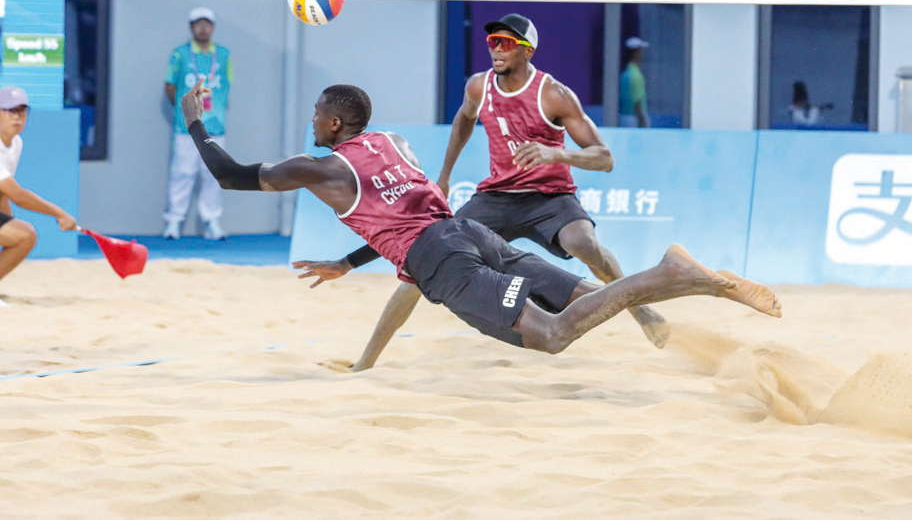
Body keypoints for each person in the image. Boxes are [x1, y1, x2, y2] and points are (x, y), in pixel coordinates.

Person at [180, 79, 781, 361]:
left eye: (317, 114)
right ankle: (687, 285)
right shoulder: (394, 144)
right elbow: (404, 229)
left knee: (553, 336)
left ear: (335, 124)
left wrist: (195, 122)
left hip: (444, 256)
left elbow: (231, 176)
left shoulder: (321, 169)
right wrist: (347, 264)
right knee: (591, 297)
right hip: (472, 233)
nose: (312, 122)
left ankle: (668, 271)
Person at [302, 15, 681, 371]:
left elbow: (605, 158)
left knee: (584, 244)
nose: (495, 49)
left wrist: (555, 153)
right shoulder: (478, 86)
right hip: (497, 195)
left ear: (526, 51)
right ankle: (366, 362)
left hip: (550, 196)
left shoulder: (554, 94)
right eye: (491, 42)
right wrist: (445, 174)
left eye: (505, 43)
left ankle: (643, 312)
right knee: (418, 267)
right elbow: (464, 119)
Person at [162, 7, 233, 240]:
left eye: (207, 23)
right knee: (182, 173)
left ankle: (212, 221)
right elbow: (170, 86)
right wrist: (186, 111)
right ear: (191, 27)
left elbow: (227, 86)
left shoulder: (223, 54)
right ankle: (174, 222)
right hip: (186, 127)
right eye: (198, 24)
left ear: (212, 27)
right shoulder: (180, 54)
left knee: (214, 173)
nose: (203, 28)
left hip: (215, 126)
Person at [0, 86, 77, 290]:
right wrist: (60, 214)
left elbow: (4, 193)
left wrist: (8, 223)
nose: (17, 117)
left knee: (23, 236)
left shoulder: (16, 143)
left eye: (22, 111)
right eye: (10, 111)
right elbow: (19, 196)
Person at [619, 36, 650, 128]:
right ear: (636, 53)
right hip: (634, 120)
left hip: (624, 118)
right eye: (641, 51)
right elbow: (637, 103)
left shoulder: (625, 74)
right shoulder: (635, 75)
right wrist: (644, 121)